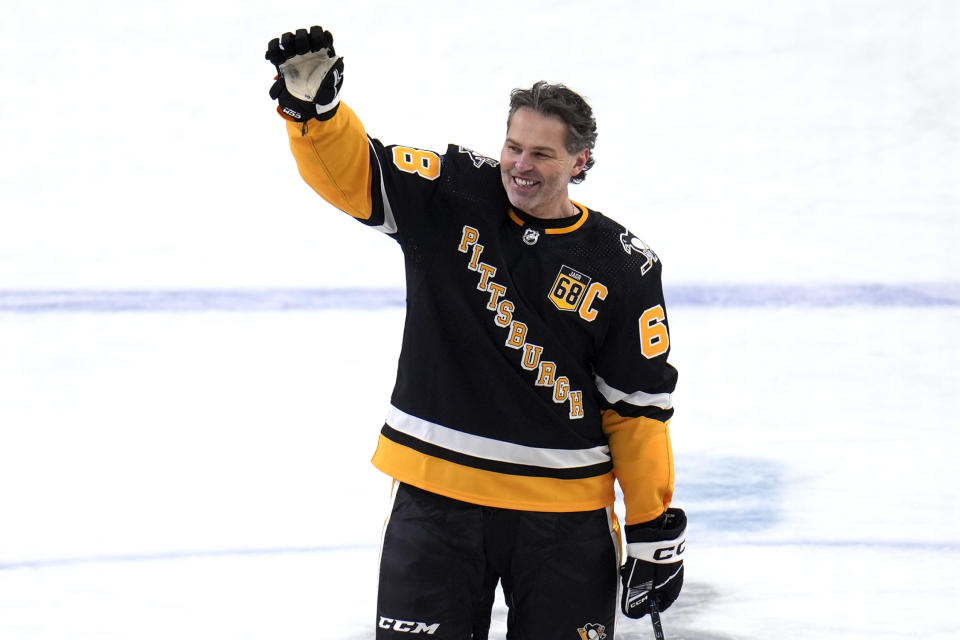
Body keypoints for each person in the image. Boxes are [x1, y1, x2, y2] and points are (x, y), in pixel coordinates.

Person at [265, 26, 686, 640]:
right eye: (514, 146)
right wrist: (315, 113)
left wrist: (650, 525)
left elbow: (638, 411)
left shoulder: (623, 265)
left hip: (563, 517)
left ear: (580, 161)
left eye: (542, 154)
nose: (521, 164)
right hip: (437, 497)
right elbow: (356, 173)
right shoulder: (453, 191)